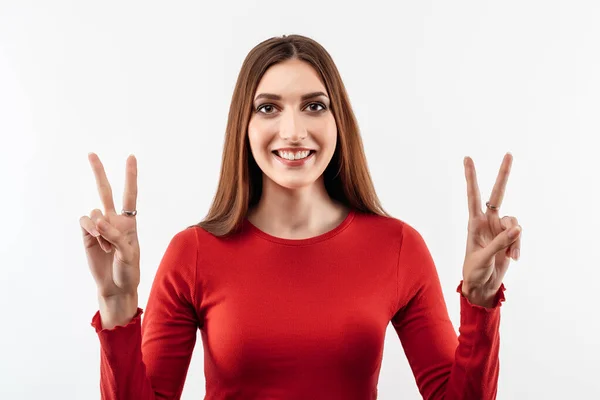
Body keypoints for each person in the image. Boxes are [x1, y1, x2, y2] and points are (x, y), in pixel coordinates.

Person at [80, 34, 522, 399]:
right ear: (245, 126)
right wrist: (117, 306)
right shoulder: (193, 252)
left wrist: (481, 303)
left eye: (314, 105)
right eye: (268, 107)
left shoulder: (398, 247)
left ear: (338, 121)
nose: (293, 131)